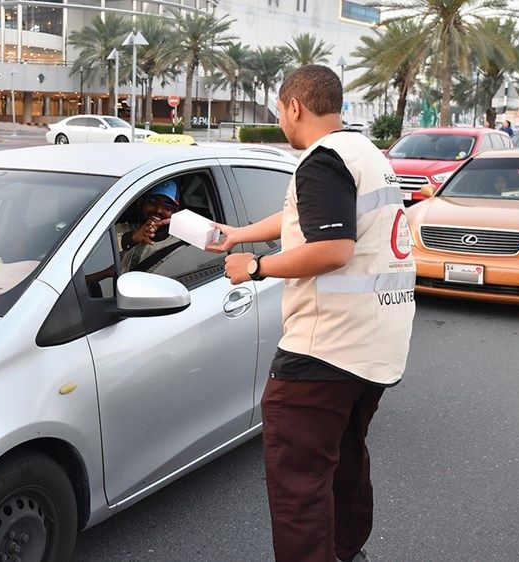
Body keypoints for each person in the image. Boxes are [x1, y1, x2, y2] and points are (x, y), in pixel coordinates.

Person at [207, 65, 416, 562]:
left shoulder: (322, 160)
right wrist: (239, 235)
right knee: (344, 460)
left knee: (298, 482)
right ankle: (347, 551)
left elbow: (333, 248)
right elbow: (307, 216)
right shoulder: (365, 153)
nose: (280, 120)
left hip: (326, 347)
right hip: (375, 344)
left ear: (295, 107)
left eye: (279, 110)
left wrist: (255, 267)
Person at [116, 180, 184, 273]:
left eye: (168, 205)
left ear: (176, 211)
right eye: (153, 201)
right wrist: (131, 238)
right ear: (141, 202)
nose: (158, 210)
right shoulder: (120, 229)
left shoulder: (178, 249)